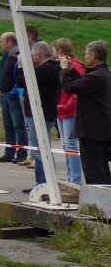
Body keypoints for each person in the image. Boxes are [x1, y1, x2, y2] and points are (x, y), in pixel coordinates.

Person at [60, 39, 111, 186]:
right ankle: (105, 198)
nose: (85, 57)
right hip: (100, 128)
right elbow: (83, 83)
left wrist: (64, 70)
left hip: (92, 130)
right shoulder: (103, 74)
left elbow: (70, 87)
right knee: (101, 168)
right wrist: (71, 70)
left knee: (94, 170)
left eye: (87, 54)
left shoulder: (97, 76)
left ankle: (97, 202)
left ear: (93, 56)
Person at [15, 41, 61, 190]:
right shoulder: (50, 68)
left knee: (41, 151)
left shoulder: (46, 69)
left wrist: (21, 66)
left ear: (38, 55)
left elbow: (22, 81)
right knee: (40, 150)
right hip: (41, 113)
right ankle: (41, 183)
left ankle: (45, 184)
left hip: (40, 114)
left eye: (33, 55)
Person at [52, 38, 85, 184]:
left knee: (70, 144)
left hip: (69, 110)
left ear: (59, 51)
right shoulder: (60, 65)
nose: (53, 52)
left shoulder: (75, 65)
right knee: (65, 145)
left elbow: (78, 89)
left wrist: (67, 105)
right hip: (61, 108)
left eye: (54, 50)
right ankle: (70, 176)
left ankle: (76, 180)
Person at [0, 32, 29, 163]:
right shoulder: (4, 57)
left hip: (13, 95)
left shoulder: (19, 56)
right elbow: (0, 73)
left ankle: (21, 153)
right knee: (8, 125)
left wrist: (14, 91)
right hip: (3, 94)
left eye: (1, 41)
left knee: (18, 125)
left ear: (9, 42)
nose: (0, 44)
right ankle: (9, 152)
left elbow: (21, 76)